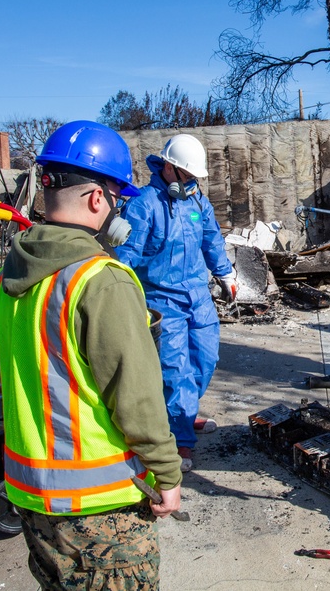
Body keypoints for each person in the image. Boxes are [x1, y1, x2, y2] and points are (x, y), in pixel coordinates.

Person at [0, 120, 183, 588]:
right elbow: (136, 397)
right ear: (98, 199)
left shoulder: (11, 276)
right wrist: (167, 473)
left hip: (33, 499)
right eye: (117, 199)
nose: (117, 211)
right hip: (100, 507)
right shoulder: (102, 280)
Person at [116, 133, 236, 473]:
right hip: (160, 296)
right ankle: (180, 440)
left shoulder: (197, 201)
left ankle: (184, 414)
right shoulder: (143, 204)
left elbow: (211, 239)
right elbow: (125, 256)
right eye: (187, 176)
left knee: (206, 357)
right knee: (174, 368)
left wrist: (225, 275)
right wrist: (122, 294)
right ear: (168, 168)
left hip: (197, 295)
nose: (192, 182)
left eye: (195, 177)